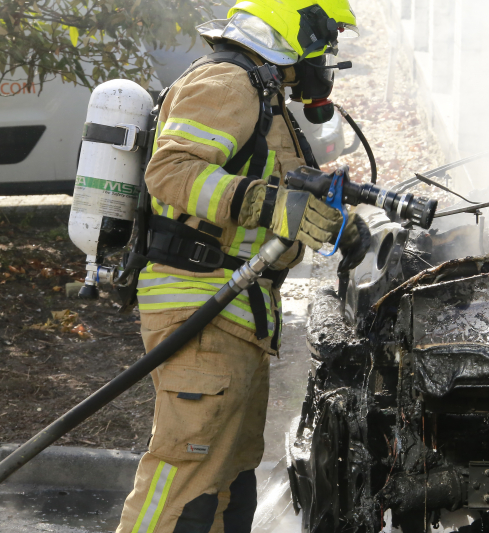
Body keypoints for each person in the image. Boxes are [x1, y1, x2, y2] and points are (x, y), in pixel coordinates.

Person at [115, 1, 369, 531]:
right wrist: (268, 205)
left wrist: (338, 225)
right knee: (183, 478)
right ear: (300, 27)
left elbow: (293, 195)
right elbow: (172, 170)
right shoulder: (227, 83)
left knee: (225, 485)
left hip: (237, 314)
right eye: (328, 41)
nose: (329, 57)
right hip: (199, 305)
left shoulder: (264, 96)